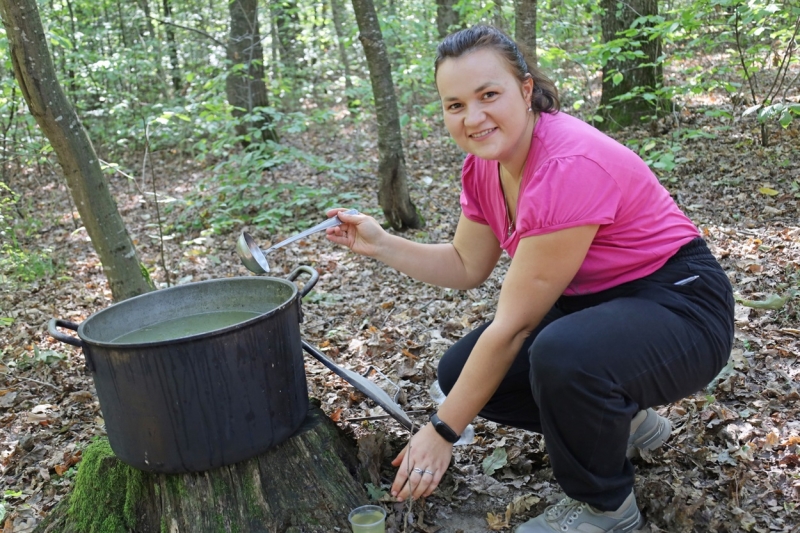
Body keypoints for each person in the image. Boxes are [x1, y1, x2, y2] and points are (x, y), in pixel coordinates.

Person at [326, 24, 734, 533]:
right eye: (455, 105)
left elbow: (515, 326)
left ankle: (607, 509)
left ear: (524, 89)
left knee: (561, 354)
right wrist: (381, 243)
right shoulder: (483, 167)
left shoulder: (565, 163)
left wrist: (442, 431)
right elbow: (464, 264)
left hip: (682, 306)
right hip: (599, 305)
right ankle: (629, 425)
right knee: (461, 374)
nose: (472, 118)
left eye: (488, 95)